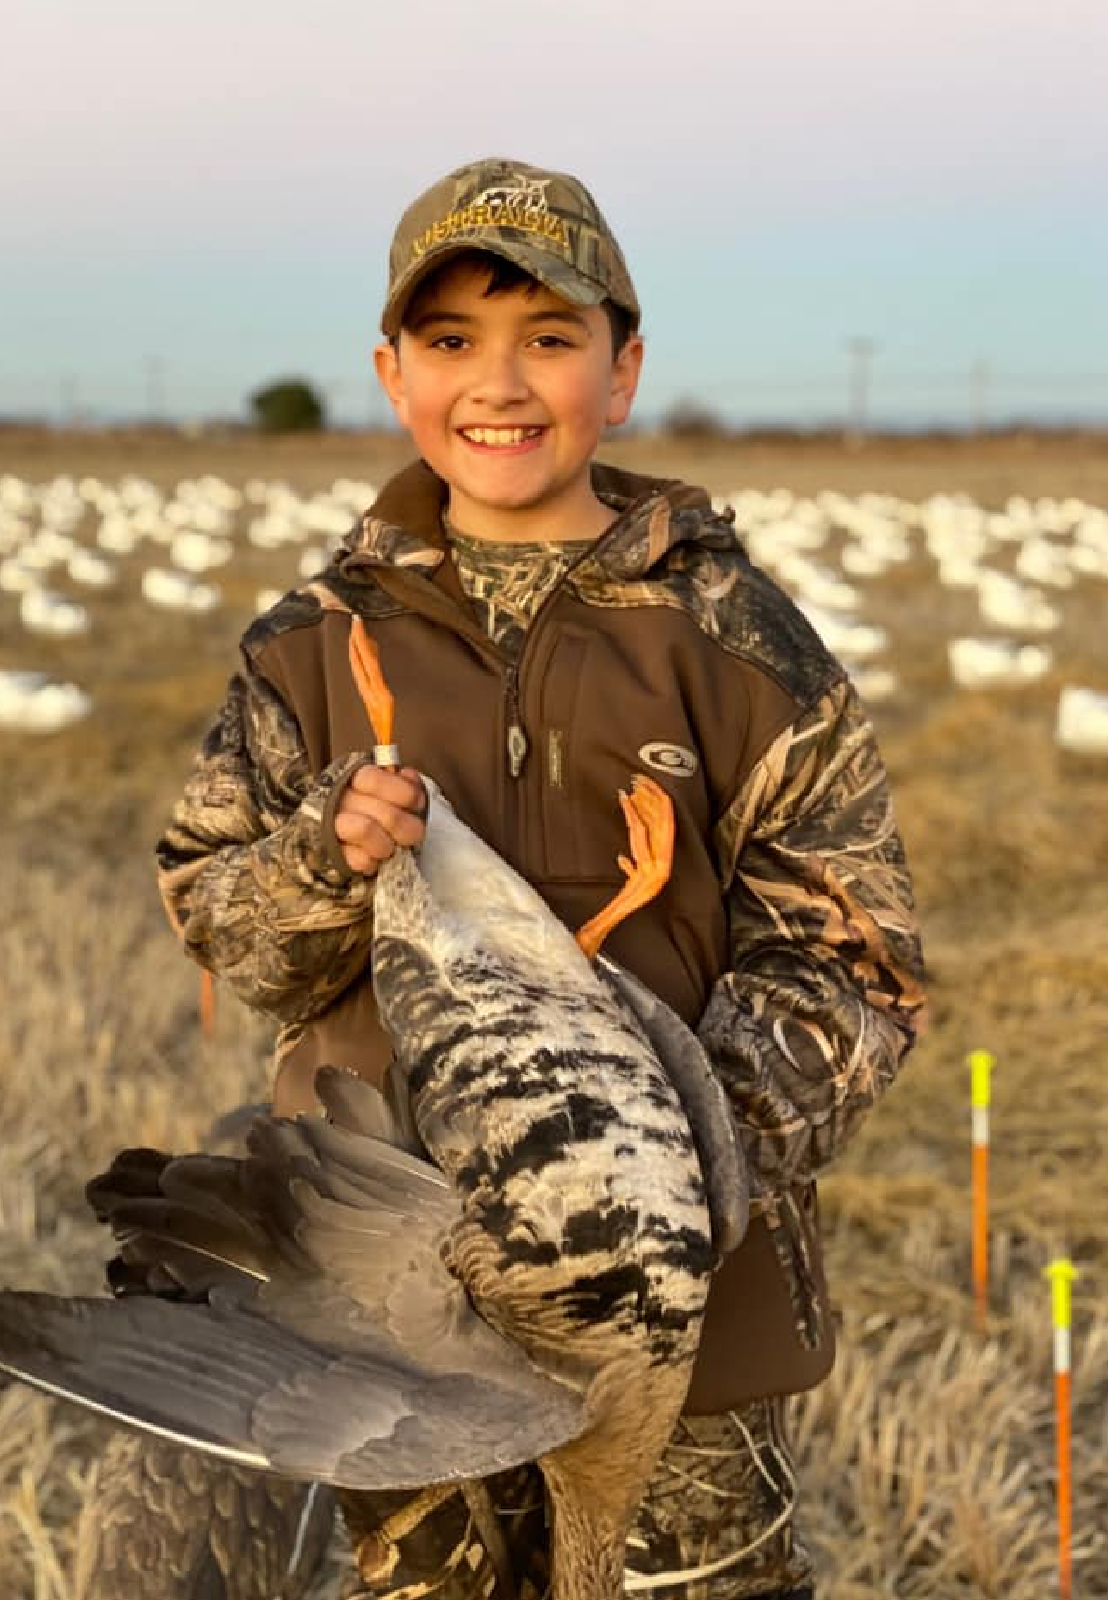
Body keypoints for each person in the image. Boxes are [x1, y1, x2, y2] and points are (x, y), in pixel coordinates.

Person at [156, 157, 926, 1600]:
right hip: (396, 1305)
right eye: (451, 342)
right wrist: (327, 861)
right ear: (391, 374)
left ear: (623, 372)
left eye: (549, 339)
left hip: (674, 1318)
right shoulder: (307, 649)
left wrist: (670, 1166)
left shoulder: (741, 642)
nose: (498, 384)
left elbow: (857, 954)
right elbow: (221, 927)